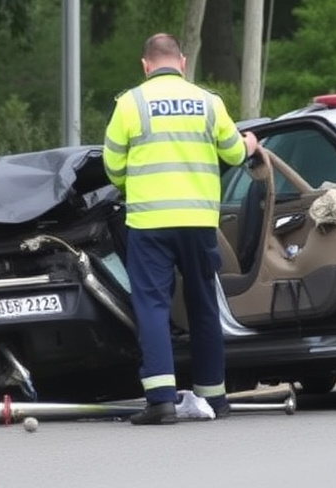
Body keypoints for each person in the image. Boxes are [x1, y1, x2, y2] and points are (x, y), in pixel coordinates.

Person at [103, 33, 259, 425]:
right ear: (183, 62)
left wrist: (133, 187)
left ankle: (160, 400)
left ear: (145, 65)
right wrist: (251, 144)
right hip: (197, 222)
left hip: (149, 223)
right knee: (203, 305)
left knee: (153, 307)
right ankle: (214, 396)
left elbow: (113, 166)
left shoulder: (130, 104)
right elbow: (233, 154)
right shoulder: (209, 102)